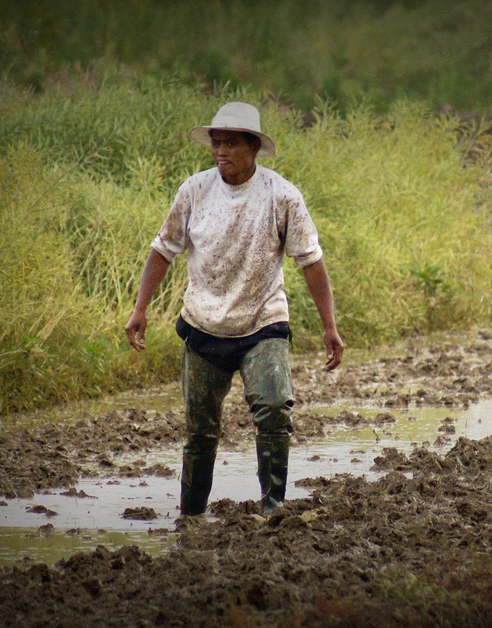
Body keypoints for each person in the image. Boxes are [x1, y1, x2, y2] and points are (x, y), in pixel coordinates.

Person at [125, 101, 343, 517]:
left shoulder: (282, 196)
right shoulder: (195, 190)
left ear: (253, 147)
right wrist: (140, 308)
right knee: (200, 432)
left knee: (276, 407)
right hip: (203, 325)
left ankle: (273, 508)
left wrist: (329, 325)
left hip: (263, 322)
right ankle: (190, 516)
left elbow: (310, 261)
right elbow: (162, 249)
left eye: (230, 144)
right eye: (216, 143)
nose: (220, 151)